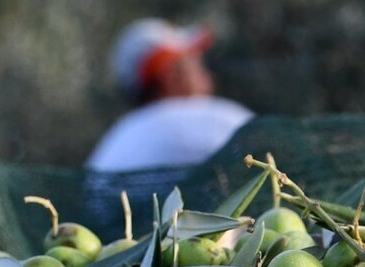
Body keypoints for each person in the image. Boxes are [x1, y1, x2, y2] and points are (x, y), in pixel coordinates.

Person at [85, 19, 253, 172]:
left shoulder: (111, 144)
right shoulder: (215, 118)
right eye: (194, 62)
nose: (208, 77)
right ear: (171, 77)